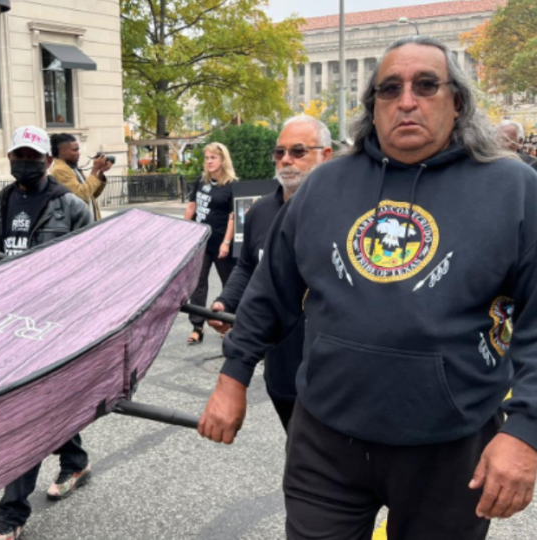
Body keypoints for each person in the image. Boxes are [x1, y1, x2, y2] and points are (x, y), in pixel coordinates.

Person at [199, 36, 537, 540]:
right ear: (372, 107)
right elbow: (271, 290)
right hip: (326, 441)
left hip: (449, 444)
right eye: (389, 89)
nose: (407, 100)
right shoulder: (324, 185)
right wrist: (233, 374)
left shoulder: (513, 188)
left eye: (426, 85)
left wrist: (525, 432)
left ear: (458, 101)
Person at [0, 126, 93, 540]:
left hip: (50, 326)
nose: (24, 160)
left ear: (45, 159)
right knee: (43, 404)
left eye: (32, 155)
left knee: (24, 413)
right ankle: (74, 459)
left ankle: (12, 515)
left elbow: (92, 269)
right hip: (1, 323)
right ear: (10, 159)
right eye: (17, 154)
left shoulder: (71, 206)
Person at [207, 116, 332, 432]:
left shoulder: (345, 214)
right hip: (280, 368)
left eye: (299, 151)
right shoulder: (261, 211)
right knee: (296, 453)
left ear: (326, 155)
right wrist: (226, 301)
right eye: (280, 152)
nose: (286, 160)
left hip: (333, 376)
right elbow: (248, 266)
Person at [184, 142, 237, 345]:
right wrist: (184, 234)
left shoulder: (231, 185)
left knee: (229, 284)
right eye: (207, 158)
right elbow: (191, 207)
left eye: (213, 157)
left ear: (223, 159)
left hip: (221, 241)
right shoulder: (201, 181)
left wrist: (226, 243)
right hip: (200, 241)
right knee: (198, 284)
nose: (209, 161)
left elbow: (233, 216)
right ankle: (197, 326)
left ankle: (227, 323)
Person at [49, 133, 112, 221]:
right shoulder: (60, 170)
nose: (78, 153)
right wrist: (94, 169)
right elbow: (81, 196)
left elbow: (92, 194)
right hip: (79, 227)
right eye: (75, 150)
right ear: (63, 151)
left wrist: (100, 172)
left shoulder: (71, 167)